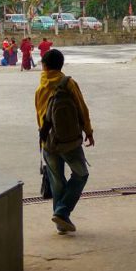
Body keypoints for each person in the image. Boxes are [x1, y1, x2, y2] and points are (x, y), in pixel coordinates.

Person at [35, 49, 94, 234]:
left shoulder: (40, 88)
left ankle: (61, 223)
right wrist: (88, 131)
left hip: (48, 141)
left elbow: (39, 116)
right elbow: (81, 107)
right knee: (81, 174)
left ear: (44, 66)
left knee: (57, 182)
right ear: (61, 65)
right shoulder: (68, 83)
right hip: (69, 140)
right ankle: (62, 212)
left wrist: (43, 139)